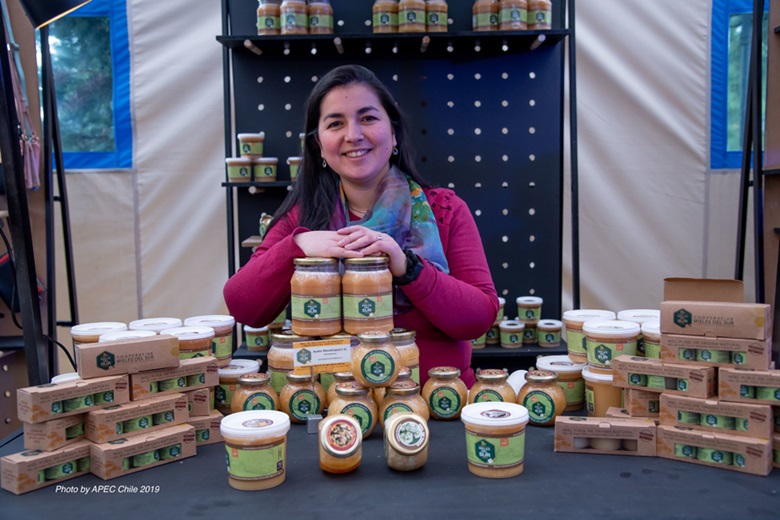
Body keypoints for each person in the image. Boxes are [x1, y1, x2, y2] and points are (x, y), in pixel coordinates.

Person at [223, 64, 498, 387]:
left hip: (434, 403)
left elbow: (479, 318)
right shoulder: (302, 218)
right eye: (335, 123)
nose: (353, 135)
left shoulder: (444, 210)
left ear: (393, 133)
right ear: (319, 144)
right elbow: (243, 307)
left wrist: (408, 268)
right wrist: (296, 248)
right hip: (333, 404)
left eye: (367, 118)